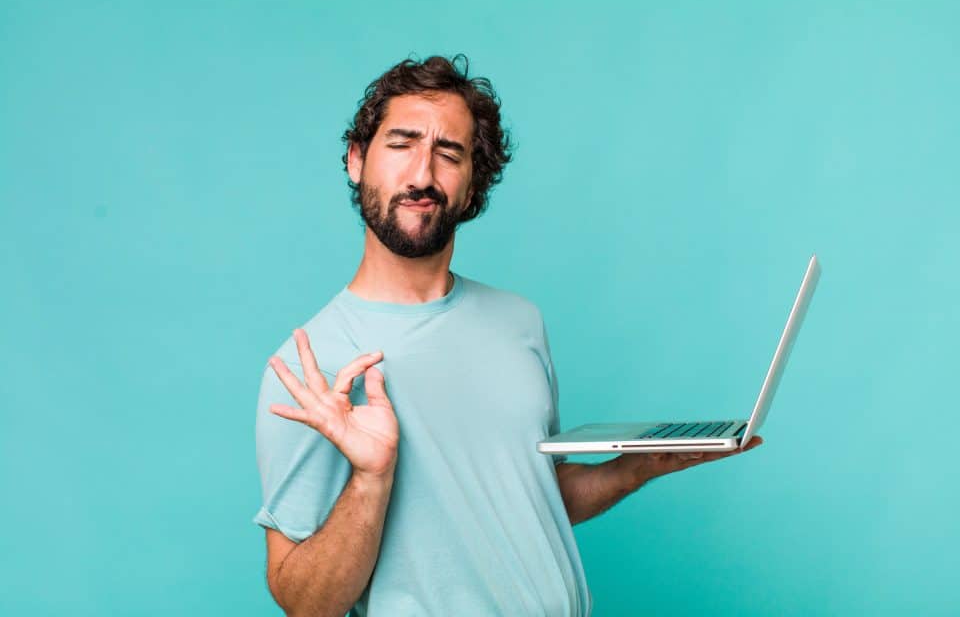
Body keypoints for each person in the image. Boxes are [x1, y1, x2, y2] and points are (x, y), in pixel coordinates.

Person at [252, 54, 762, 617]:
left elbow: (526, 497)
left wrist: (635, 467)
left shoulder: (518, 322)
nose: (422, 175)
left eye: (449, 154)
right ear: (356, 160)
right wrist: (372, 478)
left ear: (473, 188)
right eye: (400, 145)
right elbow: (304, 601)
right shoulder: (312, 365)